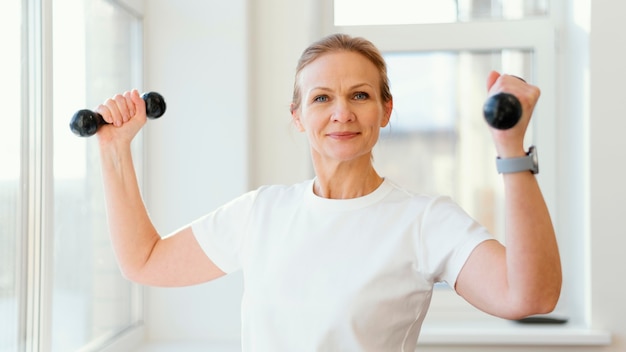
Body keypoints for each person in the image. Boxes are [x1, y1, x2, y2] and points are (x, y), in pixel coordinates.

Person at [94, 33, 561, 351]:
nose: (342, 113)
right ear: (297, 116)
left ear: (385, 110)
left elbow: (529, 296)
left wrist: (510, 146)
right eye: (321, 98)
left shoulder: (426, 221)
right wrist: (115, 151)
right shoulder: (261, 212)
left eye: (360, 95)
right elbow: (145, 261)